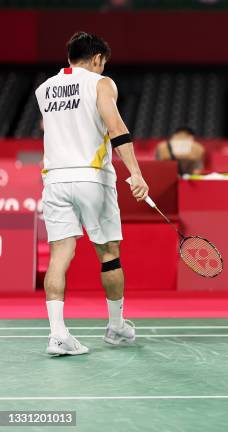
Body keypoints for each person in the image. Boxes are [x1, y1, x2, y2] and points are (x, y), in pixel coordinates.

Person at [35, 32, 149, 356]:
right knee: (109, 252)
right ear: (98, 58)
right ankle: (116, 327)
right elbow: (115, 128)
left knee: (60, 256)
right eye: (103, 64)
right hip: (91, 177)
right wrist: (136, 174)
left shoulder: (43, 90)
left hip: (54, 178)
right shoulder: (101, 84)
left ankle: (58, 334)